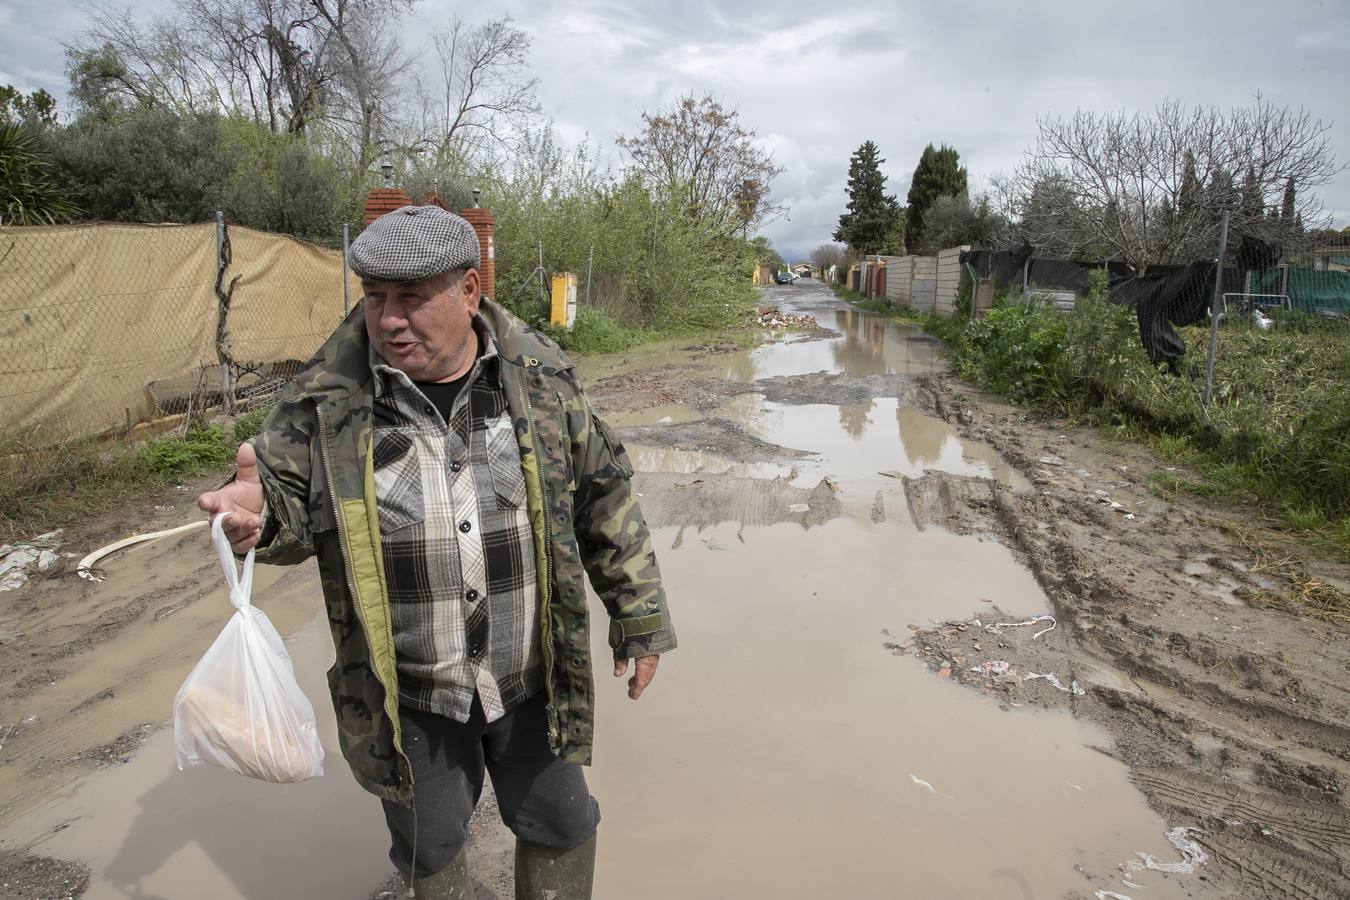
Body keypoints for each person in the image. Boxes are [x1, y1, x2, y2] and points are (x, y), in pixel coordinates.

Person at [197, 205, 676, 899]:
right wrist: (256, 517)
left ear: (469, 292)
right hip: (412, 696)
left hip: (530, 678)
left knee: (563, 824)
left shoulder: (539, 381)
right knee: (431, 846)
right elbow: (282, 500)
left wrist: (639, 619)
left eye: (413, 300)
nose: (390, 320)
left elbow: (603, 496)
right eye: (375, 298)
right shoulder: (328, 402)